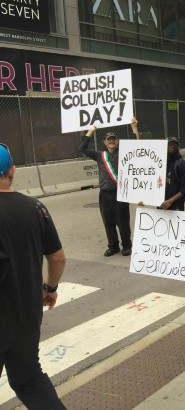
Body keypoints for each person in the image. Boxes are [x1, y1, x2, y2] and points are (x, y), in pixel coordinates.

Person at [0, 143, 67, 409]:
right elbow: (58, 257)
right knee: (28, 379)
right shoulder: (36, 208)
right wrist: (49, 287)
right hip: (26, 316)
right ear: (12, 171)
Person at [80, 118, 140, 257]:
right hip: (104, 194)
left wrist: (134, 128)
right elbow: (82, 148)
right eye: (109, 139)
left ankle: (126, 245)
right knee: (108, 221)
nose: (111, 141)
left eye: (114, 139)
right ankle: (113, 246)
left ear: (117, 141)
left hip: (120, 192)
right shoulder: (100, 155)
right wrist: (91, 130)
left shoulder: (124, 152)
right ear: (105, 142)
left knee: (122, 220)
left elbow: (137, 146)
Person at [160, 137, 185, 210]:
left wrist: (170, 201)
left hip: (176, 205)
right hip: (162, 203)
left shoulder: (182, 164)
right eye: (170, 144)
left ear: (178, 147)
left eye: (175, 144)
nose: (173, 146)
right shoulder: (161, 163)